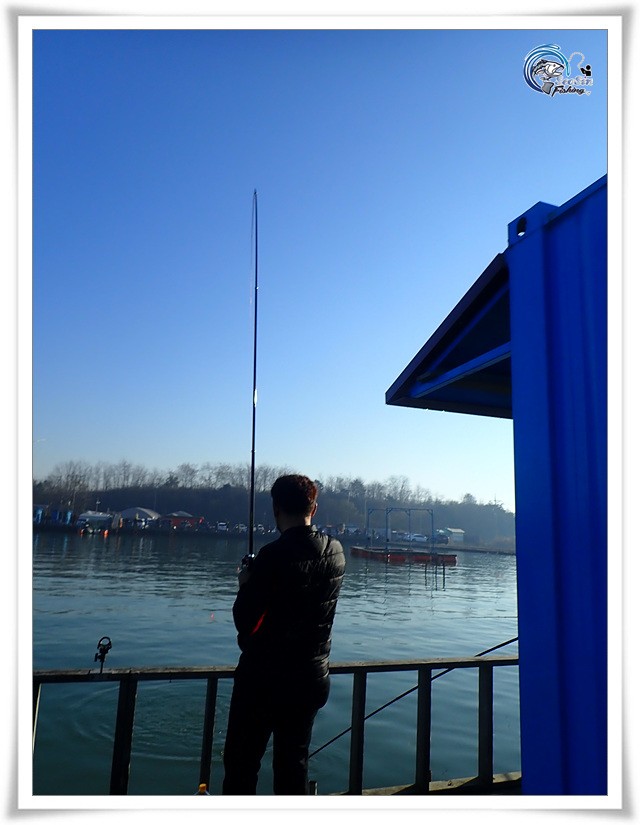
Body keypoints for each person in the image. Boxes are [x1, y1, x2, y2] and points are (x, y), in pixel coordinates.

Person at [222, 474, 346, 795]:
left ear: (276, 509)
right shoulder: (336, 551)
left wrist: (246, 584)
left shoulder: (272, 556)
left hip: (264, 682)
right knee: (293, 764)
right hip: (311, 679)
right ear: (313, 509)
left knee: (241, 765)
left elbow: (246, 622)